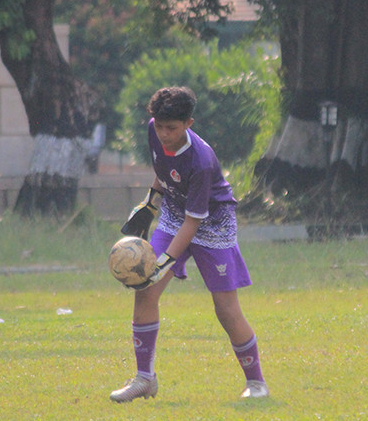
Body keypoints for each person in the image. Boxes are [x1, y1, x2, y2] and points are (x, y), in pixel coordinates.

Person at [110, 86, 268, 402]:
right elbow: (163, 170)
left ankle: (257, 384)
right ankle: (145, 378)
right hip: (173, 213)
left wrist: (164, 261)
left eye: (172, 128)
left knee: (225, 309)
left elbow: (193, 223)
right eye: (160, 126)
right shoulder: (154, 131)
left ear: (189, 124)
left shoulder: (202, 160)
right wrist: (150, 205)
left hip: (212, 224)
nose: (164, 134)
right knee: (145, 291)